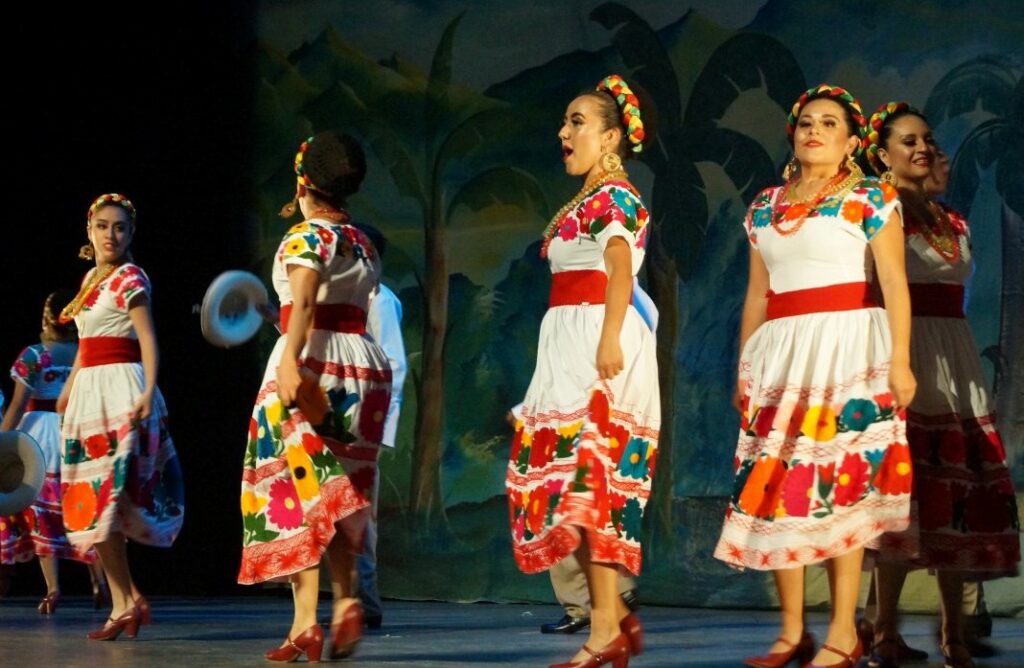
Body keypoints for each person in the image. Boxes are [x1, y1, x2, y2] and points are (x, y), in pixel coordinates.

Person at [713, 84, 915, 668]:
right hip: (783, 353)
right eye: (805, 122)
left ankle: (844, 634)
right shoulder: (765, 206)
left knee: (838, 487)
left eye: (829, 123)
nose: (814, 130)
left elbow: (895, 284)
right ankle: (791, 632)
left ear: (851, 141)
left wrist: (900, 361)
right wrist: (745, 368)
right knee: (781, 488)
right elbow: (757, 295)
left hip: (849, 350)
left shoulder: (870, 199)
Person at [506, 73, 659, 668]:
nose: (563, 132)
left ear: (612, 138)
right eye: (565, 121)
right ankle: (613, 622)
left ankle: (604, 631)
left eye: (578, 122)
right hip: (568, 343)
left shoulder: (617, 199)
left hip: (599, 340)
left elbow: (620, 270)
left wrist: (611, 340)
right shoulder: (585, 202)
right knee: (572, 492)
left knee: (589, 490)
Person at [863, 102, 1020, 668]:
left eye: (927, 138)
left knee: (954, 498)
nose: (922, 147)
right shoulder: (875, 215)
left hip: (954, 361)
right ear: (882, 155)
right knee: (904, 506)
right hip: (904, 356)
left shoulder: (953, 221)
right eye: (908, 140)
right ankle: (882, 632)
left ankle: (953, 634)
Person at [238, 131, 391, 663]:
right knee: (336, 490)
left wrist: (287, 361)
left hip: (315, 360)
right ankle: (338, 603)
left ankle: (309, 618)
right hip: (362, 366)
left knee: (295, 492)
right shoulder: (363, 241)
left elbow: (303, 305)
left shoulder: (305, 237)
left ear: (304, 180)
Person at [57, 193, 185, 640]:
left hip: (121, 389)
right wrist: (69, 387)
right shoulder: (92, 277)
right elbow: (85, 341)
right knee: (94, 506)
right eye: (103, 226)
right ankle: (124, 601)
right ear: (88, 230)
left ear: (131, 234)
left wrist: (149, 389)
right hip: (90, 392)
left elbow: (148, 339)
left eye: (120, 228)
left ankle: (126, 601)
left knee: (109, 499)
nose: (111, 235)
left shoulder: (131, 276)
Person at [0, 291, 107, 613]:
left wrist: (3, 441)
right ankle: (99, 581)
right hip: (75, 432)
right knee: (86, 511)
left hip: (38, 439)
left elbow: (18, 404)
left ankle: (53, 588)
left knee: (41, 515)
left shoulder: (34, 355)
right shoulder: (83, 352)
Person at [353, 222, 407, 630]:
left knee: (360, 513)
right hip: (340, 412)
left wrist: (382, 427)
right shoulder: (349, 297)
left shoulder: (379, 301)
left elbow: (394, 363)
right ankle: (348, 597)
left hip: (364, 417)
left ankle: (365, 601)